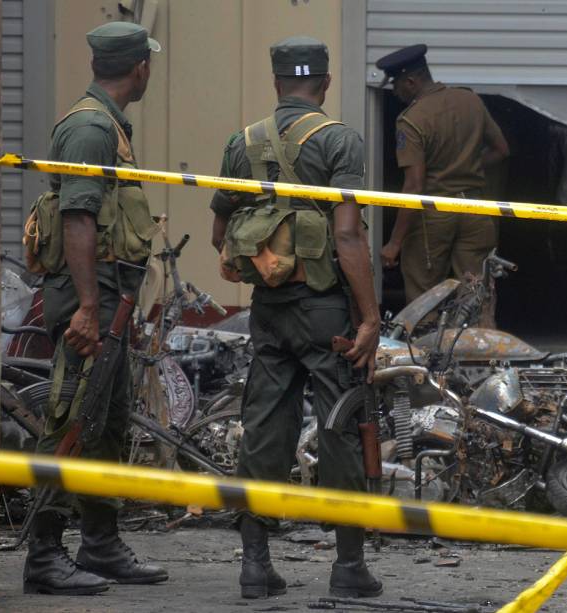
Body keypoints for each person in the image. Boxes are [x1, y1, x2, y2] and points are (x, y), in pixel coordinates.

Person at [210, 36, 382, 600]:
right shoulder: (337, 140)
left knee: (264, 426)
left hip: (269, 309)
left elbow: (220, 235)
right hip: (325, 308)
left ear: (277, 82)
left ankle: (255, 565)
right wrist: (370, 316)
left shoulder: (241, 144)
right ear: (325, 83)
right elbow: (348, 233)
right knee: (338, 425)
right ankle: (348, 567)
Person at [22, 22, 167, 595]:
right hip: (92, 297)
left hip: (111, 298)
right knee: (69, 417)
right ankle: (44, 554)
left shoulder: (108, 124)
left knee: (104, 423)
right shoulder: (89, 128)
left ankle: (101, 544)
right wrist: (86, 307)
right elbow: (79, 220)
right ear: (139, 68)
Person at [377, 44, 510, 307]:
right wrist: (468, 167)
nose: (394, 92)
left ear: (411, 81)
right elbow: (502, 150)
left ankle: (426, 348)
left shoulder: (412, 120)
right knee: (476, 293)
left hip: (434, 214)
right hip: (475, 209)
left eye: (396, 85)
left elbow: (414, 187)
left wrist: (394, 243)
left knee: (425, 299)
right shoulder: (471, 100)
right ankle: (478, 343)